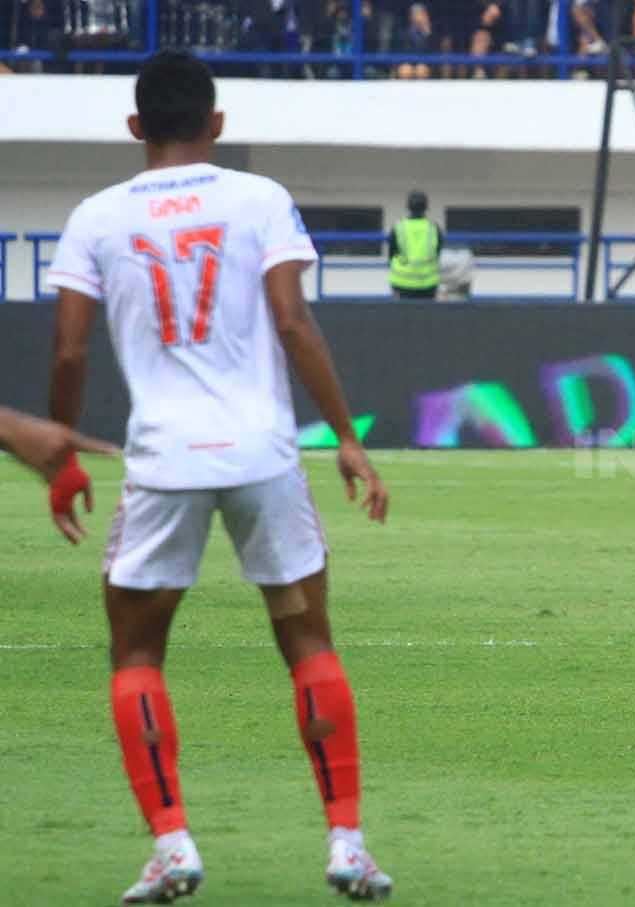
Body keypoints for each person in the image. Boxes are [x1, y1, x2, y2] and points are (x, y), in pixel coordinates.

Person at [43, 49, 394, 904]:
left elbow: (70, 349)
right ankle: (346, 842)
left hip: (163, 462)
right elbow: (292, 319)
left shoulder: (95, 216)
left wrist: (59, 451)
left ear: (135, 128)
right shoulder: (258, 198)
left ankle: (172, 843)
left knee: (136, 654)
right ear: (219, 122)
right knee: (308, 643)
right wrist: (347, 436)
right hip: (263, 457)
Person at [388, 189, 443, 300]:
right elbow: (438, 252)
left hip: (401, 282)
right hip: (428, 283)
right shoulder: (433, 228)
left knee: (401, 316)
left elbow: (391, 254)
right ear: (426, 208)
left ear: (408, 207)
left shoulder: (398, 227)